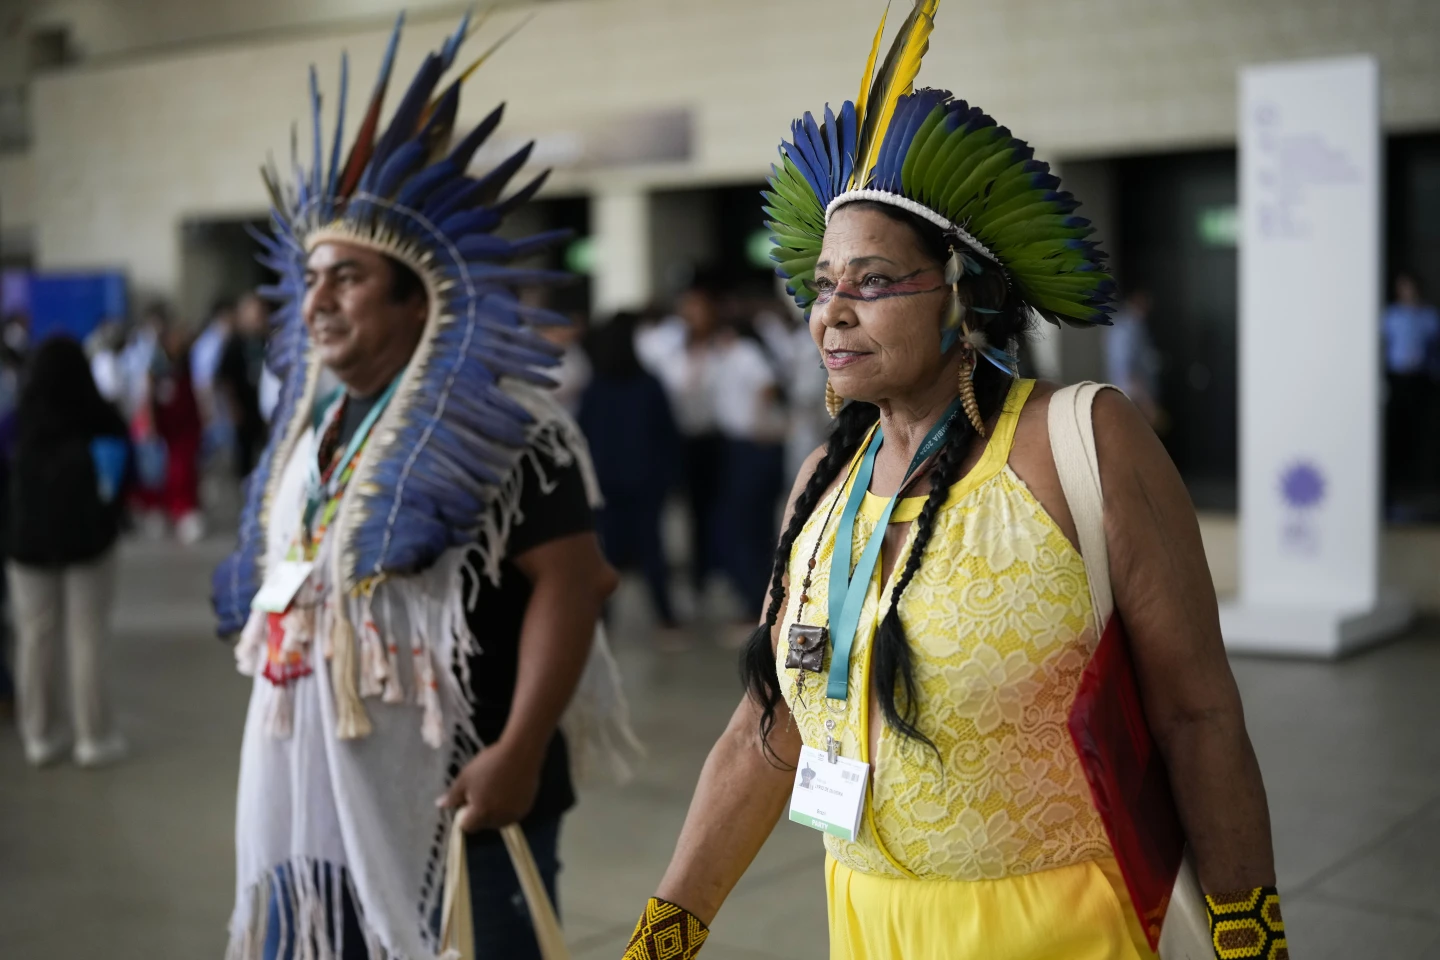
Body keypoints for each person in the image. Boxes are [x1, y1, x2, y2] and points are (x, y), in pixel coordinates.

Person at [621, 3, 1285, 958]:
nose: (832, 313)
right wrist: (663, 938)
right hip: (868, 921)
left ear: (963, 298)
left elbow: (1197, 713)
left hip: (1058, 928)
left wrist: (1252, 940)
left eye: (874, 281)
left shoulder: (1083, 442)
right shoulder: (823, 481)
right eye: (822, 282)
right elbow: (765, 730)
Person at [212, 17, 638, 960]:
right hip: (317, 780)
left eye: (348, 279)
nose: (316, 300)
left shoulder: (514, 427)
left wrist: (521, 749)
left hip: (473, 784)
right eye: (311, 278)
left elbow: (575, 584)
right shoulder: (312, 430)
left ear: (421, 300)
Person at [5, 337, 130, 767]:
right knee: (87, 638)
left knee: (35, 638)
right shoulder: (101, 417)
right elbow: (124, 480)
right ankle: (93, 737)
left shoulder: (16, 421)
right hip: (89, 543)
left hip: (26, 547)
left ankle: (40, 735)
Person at [578, 311, 682, 635]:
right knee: (652, 549)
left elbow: (583, 435)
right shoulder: (649, 384)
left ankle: (602, 617)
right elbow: (667, 433)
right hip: (645, 481)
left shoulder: (595, 387)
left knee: (605, 552)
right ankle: (665, 617)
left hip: (605, 481)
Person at [637, 276, 726, 608]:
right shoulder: (664, 343)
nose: (694, 314)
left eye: (701, 308)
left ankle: (707, 572)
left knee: (709, 508)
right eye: (689, 308)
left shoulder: (724, 344)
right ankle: (679, 572)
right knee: (674, 509)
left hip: (712, 437)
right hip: (676, 437)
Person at [1382, 272, 1440, 502]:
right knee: (1397, 430)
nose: (1406, 291)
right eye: (1402, 287)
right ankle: (1395, 481)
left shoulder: (1429, 317)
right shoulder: (1390, 316)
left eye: (1409, 287)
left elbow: (1435, 350)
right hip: (1396, 379)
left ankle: (1419, 481)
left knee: (1421, 431)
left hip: (1421, 379)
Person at [215, 292, 271, 478]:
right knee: (244, 457)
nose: (257, 317)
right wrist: (233, 408)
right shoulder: (234, 342)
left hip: (264, 413)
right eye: (253, 312)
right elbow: (224, 379)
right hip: (243, 410)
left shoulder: (267, 340)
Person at [1104, 289, 1163, 430]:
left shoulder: (1137, 326)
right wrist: (1147, 404)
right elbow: (1126, 372)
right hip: (1135, 402)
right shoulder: (1124, 330)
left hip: (1139, 400)